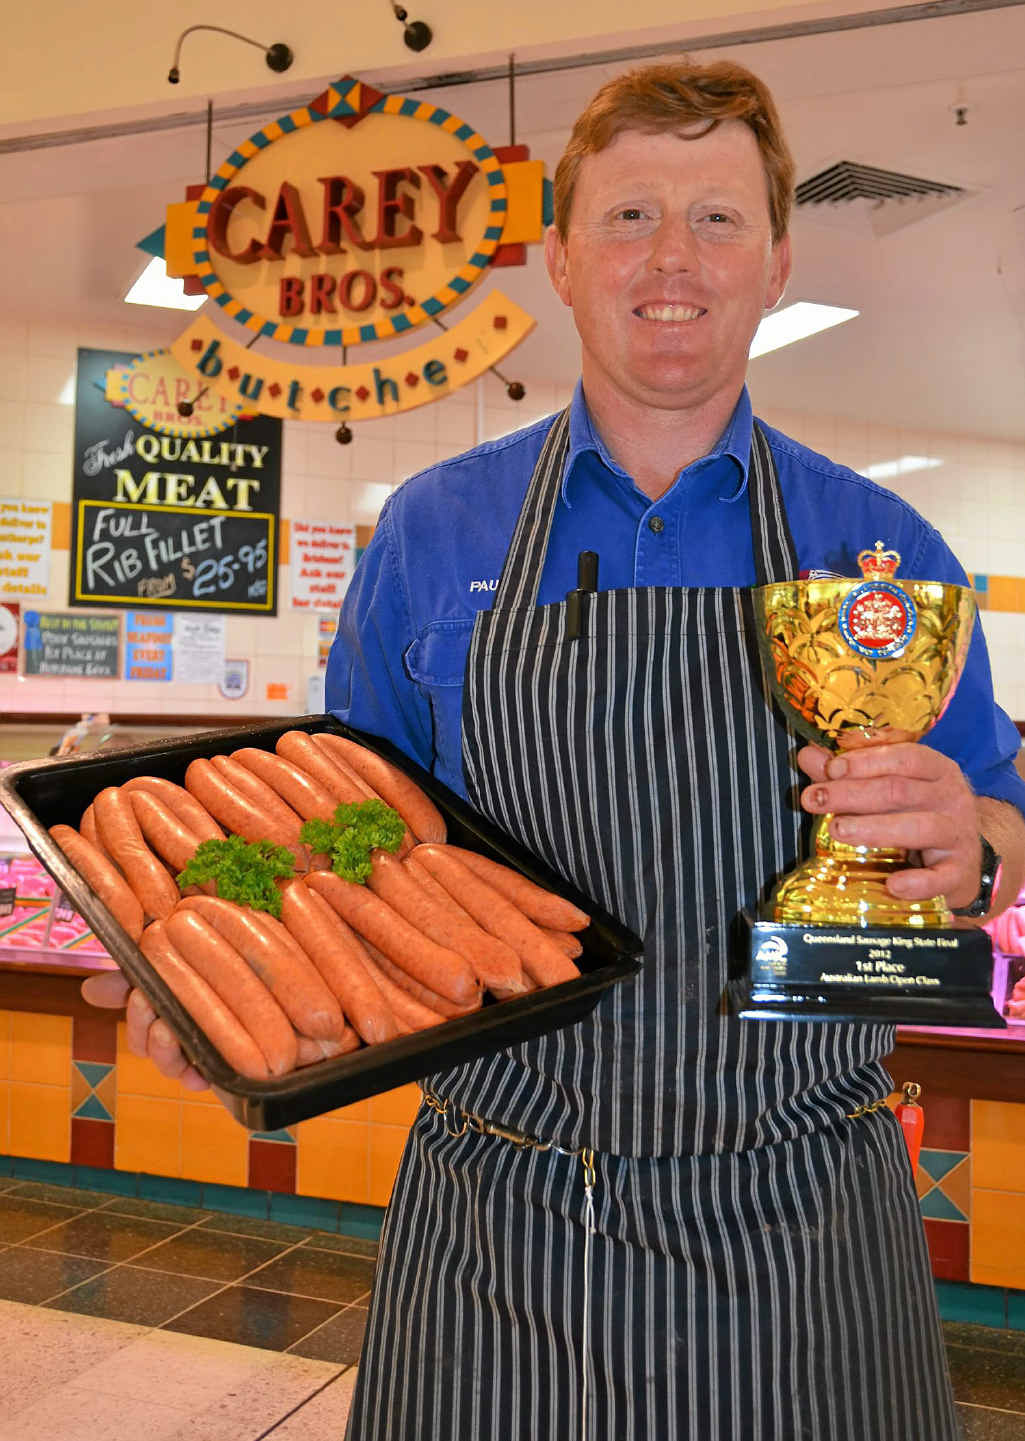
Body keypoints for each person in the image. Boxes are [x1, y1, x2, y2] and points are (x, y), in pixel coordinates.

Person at [86, 58, 1025, 1440]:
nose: (672, 257)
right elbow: (336, 838)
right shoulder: (434, 529)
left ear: (775, 262)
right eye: (629, 215)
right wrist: (204, 965)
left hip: (801, 1210)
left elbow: (997, 830)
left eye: (715, 219)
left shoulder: (880, 555)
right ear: (558, 258)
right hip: (498, 1206)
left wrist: (974, 848)